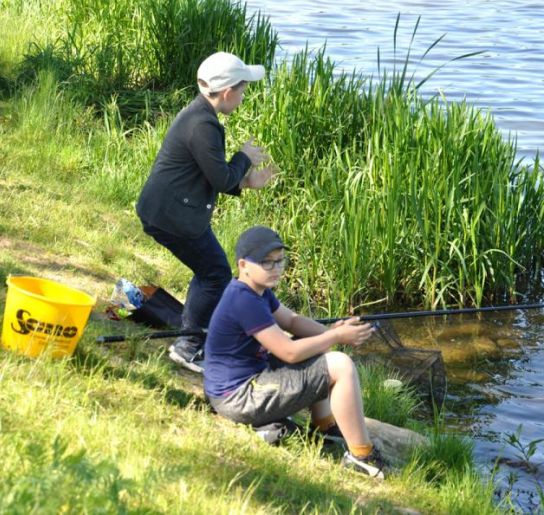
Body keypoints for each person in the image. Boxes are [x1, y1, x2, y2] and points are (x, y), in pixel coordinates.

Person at [203, 226, 388, 479]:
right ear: (243, 265)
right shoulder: (243, 300)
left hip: (245, 383)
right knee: (341, 365)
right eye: (267, 263)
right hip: (238, 397)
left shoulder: (256, 291)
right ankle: (362, 457)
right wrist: (334, 337)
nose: (276, 268)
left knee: (317, 343)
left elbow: (290, 320)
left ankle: (322, 426)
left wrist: (328, 332)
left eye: (280, 261)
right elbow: (288, 352)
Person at [136, 52, 275, 372]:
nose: (243, 96)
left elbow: (217, 178)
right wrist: (244, 157)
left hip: (171, 211)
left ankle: (196, 336)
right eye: (242, 90)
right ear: (227, 93)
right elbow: (222, 177)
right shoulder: (204, 125)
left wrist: (248, 182)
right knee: (214, 274)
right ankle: (187, 346)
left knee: (210, 271)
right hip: (171, 216)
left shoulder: (198, 114)